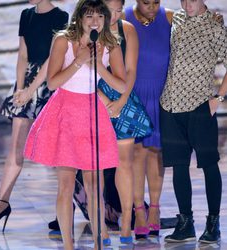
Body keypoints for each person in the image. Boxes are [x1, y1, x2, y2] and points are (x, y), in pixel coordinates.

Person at [24, 0, 126, 249]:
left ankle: (98, 239)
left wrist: (100, 66)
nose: (94, 22)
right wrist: (79, 61)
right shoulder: (62, 40)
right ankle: (68, 245)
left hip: (92, 113)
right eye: (89, 16)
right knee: (66, 184)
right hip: (65, 113)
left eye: (99, 17)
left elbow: (122, 86)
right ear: (79, 17)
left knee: (94, 184)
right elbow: (52, 83)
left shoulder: (109, 44)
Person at [0, 0, 68, 232]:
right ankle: (0, 205)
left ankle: (64, 212)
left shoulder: (60, 17)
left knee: (61, 151)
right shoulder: (26, 15)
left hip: (50, 82)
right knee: (15, 148)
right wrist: (21, 89)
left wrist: (31, 90)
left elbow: (53, 57)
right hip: (27, 82)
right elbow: (22, 54)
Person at [159, 0, 227, 244]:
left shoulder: (215, 26)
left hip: (200, 105)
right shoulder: (176, 19)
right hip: (170, 104)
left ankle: (213, 224)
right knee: (178, 166)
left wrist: (218, 98)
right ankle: (185, 223)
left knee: (209, 164)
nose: (187, 4)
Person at [124, 0, 173, 238]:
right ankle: (139, 210)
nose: (152, 6)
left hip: (161, 94)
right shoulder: (123, 18)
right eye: (146, 2)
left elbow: (196, 26)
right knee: (136, 153)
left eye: (156, 2)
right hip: (134, 95)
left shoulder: (171, 18)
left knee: (156, 151)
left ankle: (155, 208)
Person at [97, 0, 139, 243]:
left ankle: (126, 223)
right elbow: (83, 69)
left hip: (123, 98)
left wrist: (122, 101)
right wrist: (101, 97)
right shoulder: (88, 29)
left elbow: (132, 70)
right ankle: (100, 224)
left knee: (125, 162)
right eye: (108, 9)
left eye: (117, 10)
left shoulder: (127, 29)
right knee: (97, 163)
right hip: (92, 97)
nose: (113, 15)